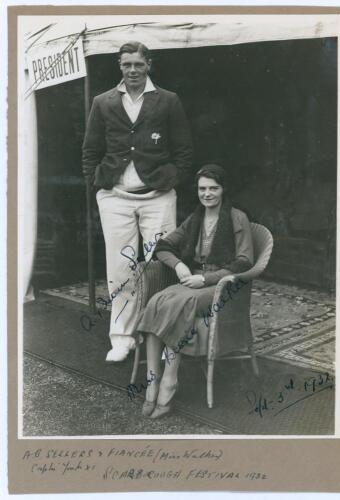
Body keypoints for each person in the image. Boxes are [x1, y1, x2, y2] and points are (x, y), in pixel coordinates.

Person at [82, 41, 193, 362]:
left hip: (158, 199)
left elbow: (184, 151)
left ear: (149, 65)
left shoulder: (168, 100)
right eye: (126, 64)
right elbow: (90, 151)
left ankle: (159, 335)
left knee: (159, 267)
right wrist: (97, 183)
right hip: (115, 199)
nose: (132, 70)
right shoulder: (103, 102)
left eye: (138, 64)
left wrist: (168, 180)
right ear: (119, 66)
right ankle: (122, 338)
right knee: (120, 270)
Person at [136, 164, 254, 418]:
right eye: (202, 188)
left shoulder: (237, 217)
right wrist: (179, 265)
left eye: (214, 188)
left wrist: (207, 278)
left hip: (221, 285)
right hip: (193, 279)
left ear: (223, 190)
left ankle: (170, 379)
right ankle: (152, 379)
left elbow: (244, 262)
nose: (207, 193)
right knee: (156, 301)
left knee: (180, 305)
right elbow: (163, 246)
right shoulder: (195, 218)